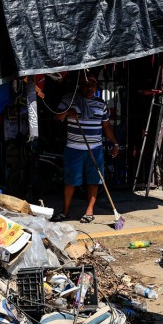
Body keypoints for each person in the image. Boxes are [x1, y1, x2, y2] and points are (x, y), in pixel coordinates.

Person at [52, 72, 119, 223]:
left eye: (92, 84)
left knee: (93, 180)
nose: (89, 87)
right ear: (79, 86)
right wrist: (68, 111)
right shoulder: (70, 100)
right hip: (74, 149)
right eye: (86, 84)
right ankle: (65, 211)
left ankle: (89, 212)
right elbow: (57, 116)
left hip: (94, 149)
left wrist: (115, 143)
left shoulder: (101, 104)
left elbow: (106, 126)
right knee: (71, 181)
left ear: (96, 87)